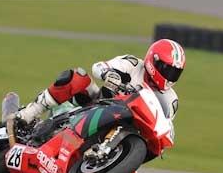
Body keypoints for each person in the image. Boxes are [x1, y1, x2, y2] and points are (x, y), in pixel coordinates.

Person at [17, 38, 186, 126]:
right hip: (98, 105)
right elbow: (97, 67)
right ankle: (27, 114)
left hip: (125, 129)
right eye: (167, 69)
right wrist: (109, 74)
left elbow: (162, 127)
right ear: (153, 60)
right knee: (78, 77)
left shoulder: (171, 100)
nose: (170, 76)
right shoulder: (133, 64)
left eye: (175, 72)